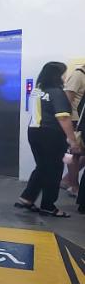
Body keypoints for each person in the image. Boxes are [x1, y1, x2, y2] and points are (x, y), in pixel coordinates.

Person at [16, 62, 81, 217]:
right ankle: (48, 206)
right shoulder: (56, 92)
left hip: (34, 132)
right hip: (51, 134)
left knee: (43, 167)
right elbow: (64, 118)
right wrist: (72, 140)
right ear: (57, 75)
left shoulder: (37, 91)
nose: (66, 76)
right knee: (54, 170)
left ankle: (27, 198)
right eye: (64, 73)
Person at [61, 63, 85, 196]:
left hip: (81, 120)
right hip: (75, 119)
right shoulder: (78, 75)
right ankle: (74, 185)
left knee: (78, 152)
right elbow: (67, 99)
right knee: (72, 153)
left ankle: (67, 180)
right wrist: (67, 121)